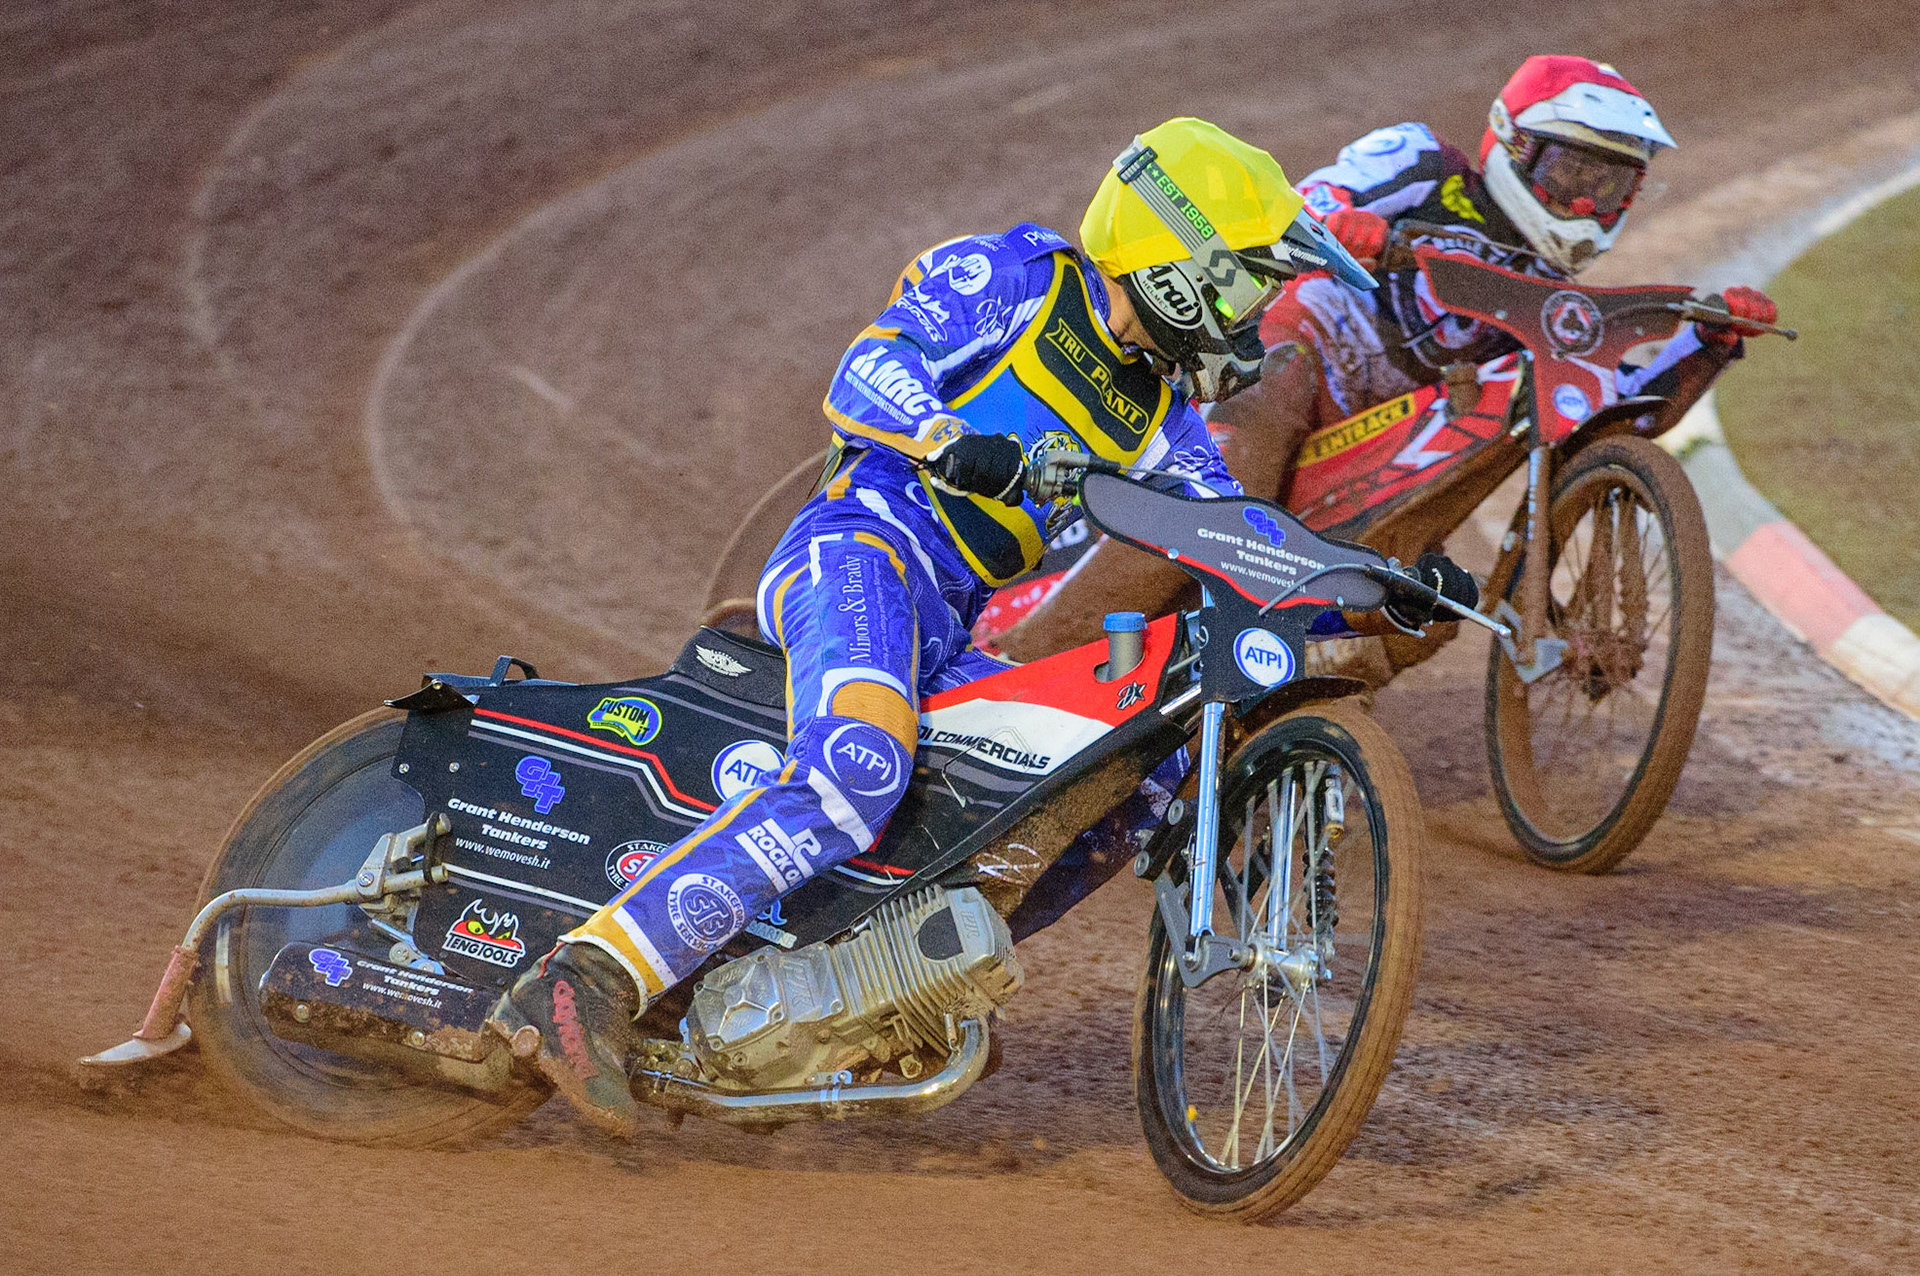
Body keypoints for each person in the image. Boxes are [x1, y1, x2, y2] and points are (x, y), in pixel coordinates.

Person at [487, 118, 1447, 1134]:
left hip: (951, 619)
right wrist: (947, 438)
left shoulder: (1160, 416)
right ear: (1179, 263)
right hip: (861, 547)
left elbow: (1230, 532)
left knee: (1108, 776)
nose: (1255, 320)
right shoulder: (1021, 279)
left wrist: (1373, 577)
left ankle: (870, 986)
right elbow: (866, 368)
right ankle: (578, 976)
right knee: (859, 762)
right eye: (1248, 284)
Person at [995, 55, 1779, 661]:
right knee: (1229, 498)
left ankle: (1290, 714)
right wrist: (1356, 228)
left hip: (1399, 433)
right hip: (1309, 347)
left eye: (1609, 184)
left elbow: (1600, 412)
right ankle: (1029, 655)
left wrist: (1705, 347)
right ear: (1512, 144)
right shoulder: (1420, 161)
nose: (1584, 200)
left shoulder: (1556, 301)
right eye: (1570, 171)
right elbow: (1296, 208)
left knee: (1424, 615)